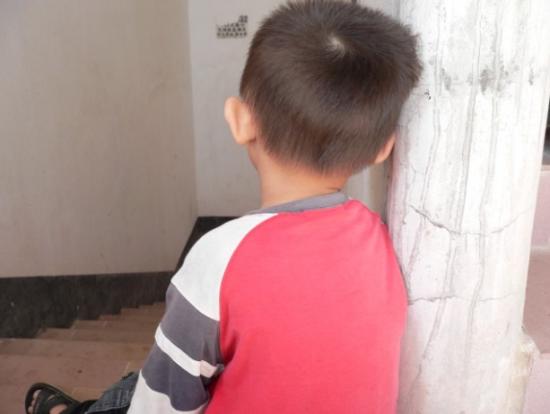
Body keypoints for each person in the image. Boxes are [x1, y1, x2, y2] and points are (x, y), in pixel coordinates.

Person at [26, 0, 422, 413]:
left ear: (239, 120)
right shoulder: (380, 238)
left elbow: (159, 405)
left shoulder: (218, 259)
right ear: (383, 148)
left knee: (134, 388)